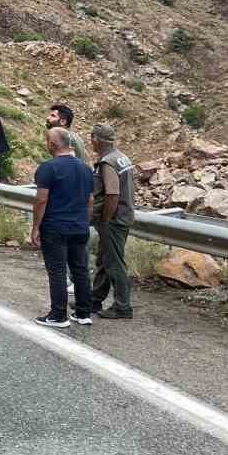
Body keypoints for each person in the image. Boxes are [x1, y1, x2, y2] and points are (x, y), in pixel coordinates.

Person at [32, 127, 95, 329]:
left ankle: (58, 315)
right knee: (80, 269)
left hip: (55, 227)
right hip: (80, 227)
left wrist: (36, 227)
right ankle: (84, 313)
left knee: (57, 270)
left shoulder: (48, 168)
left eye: (47, 141)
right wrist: (85, 222)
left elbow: (41, 200)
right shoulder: (86, 169)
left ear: (52, 144)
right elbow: (90, 201)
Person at [89, 123, 135, 320]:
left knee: (114, 263)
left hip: (114, 219)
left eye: (92, 138)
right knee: (104, 259)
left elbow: (112, 194)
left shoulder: (107, 163)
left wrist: (106, 219)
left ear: (96, 139)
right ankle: (94, 299)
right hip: (124, 215)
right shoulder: (121, 157)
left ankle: (122, 306)